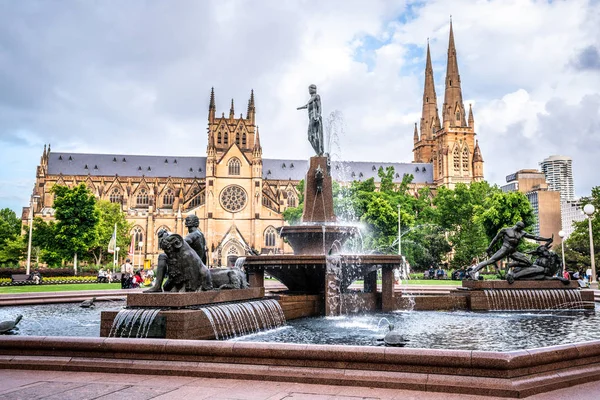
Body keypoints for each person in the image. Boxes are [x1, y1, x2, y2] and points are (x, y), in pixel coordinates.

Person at [467, 221, 552, 280]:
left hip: (513, 251)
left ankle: (513, 268)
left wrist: (546, 239)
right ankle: (473, 271)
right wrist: (490, 248)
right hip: (505, 249)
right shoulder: (505, 230)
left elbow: (534, 237)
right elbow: (495, 239)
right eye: (520, 228)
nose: (521, 229)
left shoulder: (521, 233)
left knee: (528, 262)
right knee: (490, 261)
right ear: (517, 226)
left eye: (522, 228)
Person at [297, 84, 324, 156]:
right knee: (310, 137)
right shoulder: (310, 100)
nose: (309, 90)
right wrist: (300, 108)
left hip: (315, 118)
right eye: (309, 89)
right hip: (311, 119)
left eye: (310, 88)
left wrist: (318, 116)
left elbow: (319, 107)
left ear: (314, 89)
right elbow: (306, 105)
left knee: (315, 136)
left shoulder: (317, 97)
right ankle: (318, 152)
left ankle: (320, 152)